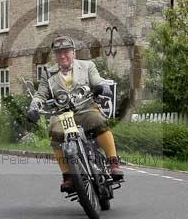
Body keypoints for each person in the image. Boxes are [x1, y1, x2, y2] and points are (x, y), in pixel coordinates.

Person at [27, 36, 124, 192]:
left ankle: (113, 162)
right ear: (55, 55)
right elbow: (41, 94)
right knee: (55, 134)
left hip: (86, 109)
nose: (62, 55)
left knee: (98, 122)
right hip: (63, 114)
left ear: (73, 53)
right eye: (58, 53)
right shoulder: (48, 73)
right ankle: (68, 176)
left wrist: (100, 87)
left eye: (66, 52)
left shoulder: (87, 66)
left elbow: (97, 80)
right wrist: (33, 108)